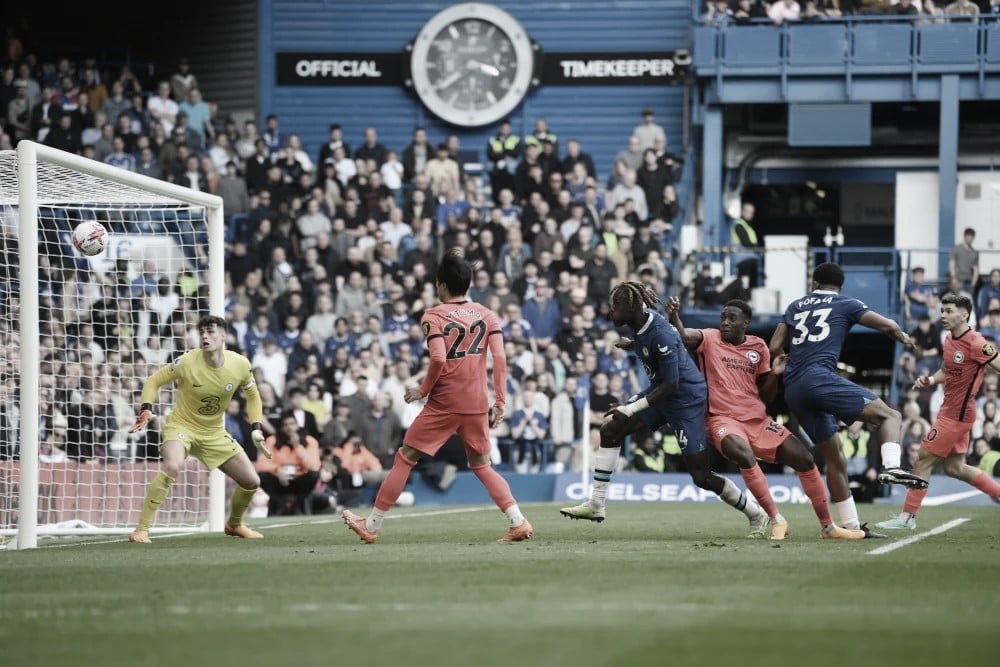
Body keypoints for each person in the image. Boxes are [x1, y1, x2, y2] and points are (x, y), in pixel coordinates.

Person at [342, 249, 534, 543]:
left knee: (405, 458)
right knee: (482, 465)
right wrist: (500, 402)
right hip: (476, 402)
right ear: (468, 284)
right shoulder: (487, 314)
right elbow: (500, 359)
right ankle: (518, 521)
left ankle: (371, 525)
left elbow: (439, 359)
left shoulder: (433, 315)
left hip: (445, 402)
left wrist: (422, 390)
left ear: (442, 285)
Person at [560, 282, 769, 535]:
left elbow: (672, 384)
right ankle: (596, 503)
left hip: (685, 400)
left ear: (632, 307)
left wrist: (631, 407)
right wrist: (633, 345)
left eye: (616, 306)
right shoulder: (641, 325)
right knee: (610, 430)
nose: (610, 311)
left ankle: (756, 514)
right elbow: (655, 361)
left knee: (701, 476)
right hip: (661, 394)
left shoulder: (661, 333)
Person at [666, 296, 868, 540]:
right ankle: (776, 519)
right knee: (743, 454)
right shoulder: (709, 338)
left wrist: (774, 374)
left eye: (732, 318)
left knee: (804, 458)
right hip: (722, 419)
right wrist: (675, 316)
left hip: (757, 420)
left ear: (745, 323)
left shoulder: (758, 347)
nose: (725, 323)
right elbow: (686, 336)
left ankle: (828, 527)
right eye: (723, 318)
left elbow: (766, 397)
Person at [769, 262, 928, 536]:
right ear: (839, 287)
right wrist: (901, 335)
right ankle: (891, 467)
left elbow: (773, 346)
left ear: (814, 284)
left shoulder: (796, 305)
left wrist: (787, 358)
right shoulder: (846, 303)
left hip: (793, 388)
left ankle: (852, 528)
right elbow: (887, 324)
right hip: (820, 379)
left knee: (836, 460)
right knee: (891, 415)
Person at [127, 315, 272, 543]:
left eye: (211, 332)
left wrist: (256, 427)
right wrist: (146, 408)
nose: (205, 336)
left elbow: (253, 396)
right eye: (202, 332)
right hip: (181, 426)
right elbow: (154, 380)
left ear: (223, 336)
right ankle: (141, 530)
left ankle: (234, 524)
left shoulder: (240, 364)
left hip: (214, 432)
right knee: (173, 466)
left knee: (252, 482)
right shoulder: (186, 361)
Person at [875, 294, 1000, 530]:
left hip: (957, 415)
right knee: (954, 468)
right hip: (950, 411)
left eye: (949, 311)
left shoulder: (975, 342)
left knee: (923, 459)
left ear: (964, 314)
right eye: (942, 310)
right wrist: (930, 379)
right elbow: (946, 371)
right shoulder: (950, 339)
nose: (943, 315)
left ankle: (907, 518)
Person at [255, 413, 322, 515]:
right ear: (281, 427)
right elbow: (261, 464)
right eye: (285, 425)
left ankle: (296, 506)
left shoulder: (310, 441)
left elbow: (314, 466)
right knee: (262, 476)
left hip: (299, 479)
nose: (289, 427)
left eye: (292, 424)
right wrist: (277, 470)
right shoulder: (272, 440)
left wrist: (297, 447)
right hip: (279, 480)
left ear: (297, 425)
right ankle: (279, 505)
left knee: (314, 475)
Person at [731, 202, 763, 289]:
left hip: (750, 259)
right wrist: (756, 247)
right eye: (749, 212)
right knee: (744, 284)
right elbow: (746, 243)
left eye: (752, 213)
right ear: (743, 211)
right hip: (743, 260)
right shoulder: (739, 225)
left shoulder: (747, 226)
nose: (751, 215)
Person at [948, 227, 979, 297]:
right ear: (964, 236)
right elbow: (951, 264)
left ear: (974, 238)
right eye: (968, 235)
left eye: (972, 236)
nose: (970, 238)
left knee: (967, 304)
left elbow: (976, 270)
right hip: (958, 281)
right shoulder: (956, 248)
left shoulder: (975, 252)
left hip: (969, 282)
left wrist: (973, 284)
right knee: (956, 302)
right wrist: (953, 278)